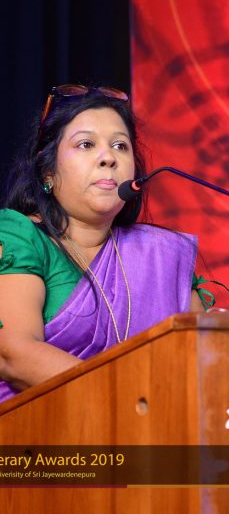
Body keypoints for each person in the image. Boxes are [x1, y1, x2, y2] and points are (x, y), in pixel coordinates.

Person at [0, 84, 205, 403]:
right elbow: (14, 354)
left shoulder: (161, 256)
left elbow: (205, 358)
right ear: (47, 171)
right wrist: (131, 400)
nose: (108, 157)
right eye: (86, 144)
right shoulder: (20, 236)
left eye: (120, 146)